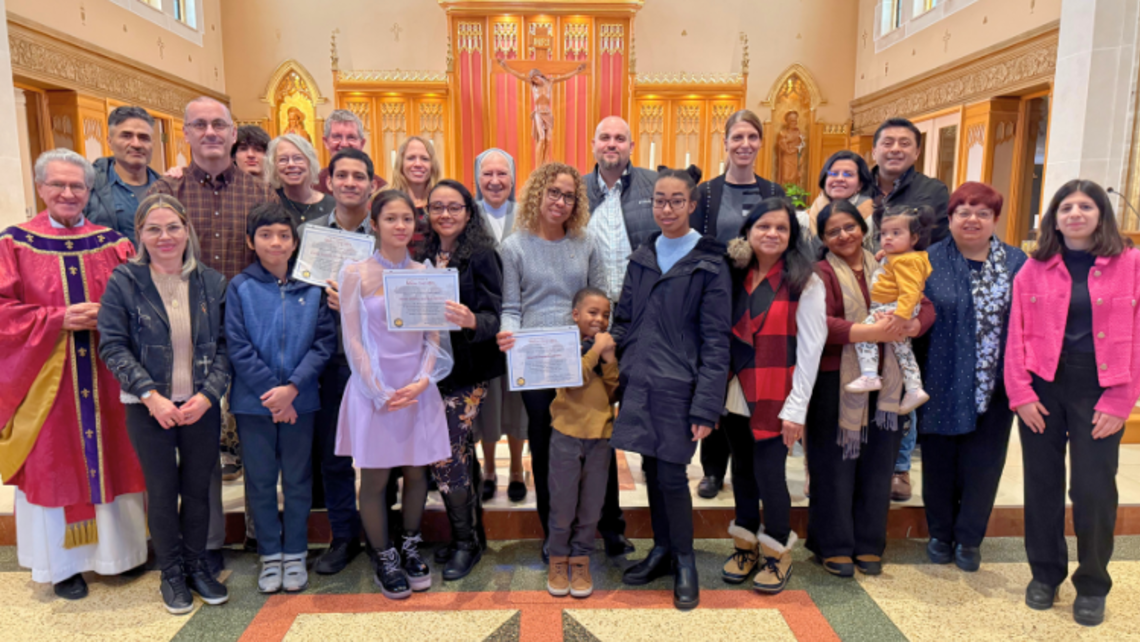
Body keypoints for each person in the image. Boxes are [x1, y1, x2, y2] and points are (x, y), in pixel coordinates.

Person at [1, 149, 147, 601]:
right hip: (47, 384)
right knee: (54, 463)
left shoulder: (113, 244)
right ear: (41, 188)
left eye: (77, 186)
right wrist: (55, 319)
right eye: (58, 185)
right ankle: (62, 566)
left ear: (89, 191)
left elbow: (141, 305)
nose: (68, 194)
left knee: (119, 456)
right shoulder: (14, 245)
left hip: (107, 377)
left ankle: (121, 556)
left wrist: (110, 314)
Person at [150, 96, 277, 574]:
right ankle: (207, 543)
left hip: (248, 327)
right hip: (186, 332)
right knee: (201, 441)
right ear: (185, 132)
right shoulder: (167, 190)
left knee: (255, 433)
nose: (210, 132)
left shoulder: (259, 193)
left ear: (232, 132)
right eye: (199, 124)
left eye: (218, 124)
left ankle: (261, 533)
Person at [1006, 179, 1140, 627]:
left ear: (1102, 214)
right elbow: (1015, 338)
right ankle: (1044, 575)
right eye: (1066, 207)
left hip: (1101, 388)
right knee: (1041, 485)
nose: (1075, 214)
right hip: (1043, 387)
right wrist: (1021, 393)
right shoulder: (1034, 267)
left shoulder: (1131, 264)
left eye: (1086, 206)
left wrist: (1121, 400)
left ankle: (1093, 583)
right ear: (1054, 218)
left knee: (1093, 489)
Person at [98, 193, 229, 613]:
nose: (165, 236)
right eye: (153, 229)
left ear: (187, 229)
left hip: (198, 408)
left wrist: (208, 396)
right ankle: (170, 573)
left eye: (173, 227)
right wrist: (151, 396)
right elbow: (113, 347)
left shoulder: (211, 281)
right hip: (147, 407)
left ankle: (196, 565)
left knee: (197, 491)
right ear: (140, 235)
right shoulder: (125, 281)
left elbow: (227, 347)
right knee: (162, 489)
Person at [612, 167, 731, 611]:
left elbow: (717, 340)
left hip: (680, 385)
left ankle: (684, 559)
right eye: (659, 200)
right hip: (640, 381)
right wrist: (620, 359)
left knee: (672, 475)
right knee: (649, 471)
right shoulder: (642, 255)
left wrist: (707, 404)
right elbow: (624, 318)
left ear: (692, 204)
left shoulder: (709, 261)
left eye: (676, 200)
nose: (666, 208)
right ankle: (661, 550)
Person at [803, 200, 934, 579]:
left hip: (887, 384)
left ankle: (869, 543)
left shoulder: (892, 262)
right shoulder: (820, 273)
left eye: (850, 227)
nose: (844, 235)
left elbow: (924, 306)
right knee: (834, 467)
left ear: (864, 228)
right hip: (836, 381)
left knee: (878, 468)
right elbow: (819, 323)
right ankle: (834, 544)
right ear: (824, 239)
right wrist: (869, 332)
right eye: (833, 231)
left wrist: (914, 325)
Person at [337, 190, 453, 600]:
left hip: (416, 385)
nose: (400, 226)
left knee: (417, 471)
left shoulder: (424, 272)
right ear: (375, 223)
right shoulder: (355, 273)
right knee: (375, 475)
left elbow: (434, 338)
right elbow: (352, 339)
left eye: (407, 219)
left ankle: (408, 544)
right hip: (375, 388)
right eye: (391, 219)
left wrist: (423, 380)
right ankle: (383, 554)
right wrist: (378, 389)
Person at [914, 182, 1026, 574]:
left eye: (982, 212)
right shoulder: (926, 261)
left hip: (996, 384)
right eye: (963, 211)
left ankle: (969, 539)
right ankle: (940, 534)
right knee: (940, 462)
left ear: (996, 219)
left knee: (984, 463)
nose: (972, 219)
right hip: (940, 377)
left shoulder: (1018, 263)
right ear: (950, 219)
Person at [496, 162, 604, 562]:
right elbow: (511, 305)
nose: (560, 201)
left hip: (579, 357)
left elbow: (599, 297)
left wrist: (592, 338)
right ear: (538, 194)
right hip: (535, 359)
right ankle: (551, 532)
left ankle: (587, 529)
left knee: (587, 445)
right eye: (553, 193)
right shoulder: (514, 247)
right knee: (545, 447)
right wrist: (508, 333)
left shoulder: (586, 243)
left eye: (569, 195)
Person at [226, 203, 336, 593]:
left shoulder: (312, 285)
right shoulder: (240, 287)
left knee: (298, 479)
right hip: (253, 404)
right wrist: (272, 395)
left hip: (300, 402)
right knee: (258, 481)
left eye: (284, 235)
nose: (276, 242)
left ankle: (296, 552)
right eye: (266, 235)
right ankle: (269, 555)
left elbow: (323, 343)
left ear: (295, 242)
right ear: (250, 241)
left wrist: (292, 389)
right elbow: (237, 346)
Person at [718, 196, 825, 595]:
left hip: (776, 393)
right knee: (741, 472)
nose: (772, 234)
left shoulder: (805, 281)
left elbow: (811, 349)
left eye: (782, 228)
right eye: (764, 226)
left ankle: (777, 550)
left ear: (792, 235)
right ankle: (745, 544)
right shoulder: (732, 273)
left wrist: (796, 410)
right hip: (733, 390)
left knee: (770, 476)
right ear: (748, 231)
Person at [688, 109, 785, 500]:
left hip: (762, 299)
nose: (744, 145)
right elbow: (697, 245)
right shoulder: (707, 192)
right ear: (725, 143)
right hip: (719, 297)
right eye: (737, 137)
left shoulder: (772, 191)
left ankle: (753, 461)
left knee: (753, 380)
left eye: (752, 137)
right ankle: (713, 468)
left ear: (760, 143)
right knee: (718, 374)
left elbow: (783, 239)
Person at [420, 179, 504, 580]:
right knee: (456, 451)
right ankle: (470, 534)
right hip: (427, 371)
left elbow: (497, 314)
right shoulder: (420, 253)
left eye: (454, 207)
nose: (445, 214)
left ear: (469, 213)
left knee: (448, 450)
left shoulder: (483, 254)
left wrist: (472, 320)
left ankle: (465, 543)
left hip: (468, 371)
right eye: (438, 207)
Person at [299, 148, 374, 575]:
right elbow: (297, 292)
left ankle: (384, 533)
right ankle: (344, 536)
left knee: (384, 453)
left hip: (377, 358)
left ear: (370, 184)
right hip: (330, 358)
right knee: (334, 453)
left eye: (358, 176)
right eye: (341, 175)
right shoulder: (310, 235)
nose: (349, 182)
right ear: (329, 182)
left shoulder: (384, 233)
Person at [583, 115, 656, 554]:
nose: (612, 144)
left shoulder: (652, 187)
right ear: (593, 144)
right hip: (593, 327)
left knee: (643, 420)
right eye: (604, 137)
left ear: (632, 144)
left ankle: (659, 523)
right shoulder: (577, 190)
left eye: (619, 138)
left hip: (642, 324)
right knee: (596, 426)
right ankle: (608, 525)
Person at [869, 117, 950, 502]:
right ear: (875, 149)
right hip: (863, 294)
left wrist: (913, 311)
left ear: (917, 150)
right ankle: (862, 460)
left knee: (902, 384)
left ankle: (900, 468)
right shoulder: (857, 184)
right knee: (862, 381)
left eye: (905, 143)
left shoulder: (932, 191)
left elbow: (930, 243)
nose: (895, 149)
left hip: (907, 296)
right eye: (888, 142)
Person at [546, 287, 620, 599]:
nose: (600, 320)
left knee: (591, 506)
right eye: (592, 313)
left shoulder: (605, 348)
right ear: (575, 315)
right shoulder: (563, 344)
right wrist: (595, 351)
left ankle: (580, 560)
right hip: (565, 434)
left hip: (600, 437)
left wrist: (609, 357)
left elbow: (614, 390)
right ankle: (558, 559)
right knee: (563, 505)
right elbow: (570, 378)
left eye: (605, 315)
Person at [472, 148, 529, 503]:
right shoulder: (467, 215)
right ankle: (490, 468)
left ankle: (518, 470)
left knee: (517, 401)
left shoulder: (527, 216)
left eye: (502, 174)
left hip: (519, 325)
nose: (495, 181)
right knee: (489, 402)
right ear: (477, 179)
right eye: (487, 174)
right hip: (481, 326)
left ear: (512, 179)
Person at [845, 205, 935, 414]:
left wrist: (901, 317)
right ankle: (914, 388)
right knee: (902, 347)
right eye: (884, 233)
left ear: (913, 238)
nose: (888, 238)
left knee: (865, 334)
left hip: (896, 309)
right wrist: (885, 255)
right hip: (896, 308)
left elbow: (911, 291)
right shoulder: (900, 257)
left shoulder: (906, 262)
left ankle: (869, 374)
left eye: (896, 233)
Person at [84, 106, 161, 245]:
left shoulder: (168, 189)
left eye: (144, 138)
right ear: (110, 142)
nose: (136, 144)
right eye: (126, 136)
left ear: (152, 144)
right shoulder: (87, 186)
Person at [802, 150, 876, 246]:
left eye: (848, 174)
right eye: (833, 174)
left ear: (860, 184)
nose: (840, 179)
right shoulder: (805, 219)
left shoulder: (873, 218)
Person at [388, 135, 441, 257]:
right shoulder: (385, 202)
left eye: (424, 159)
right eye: (411, 158)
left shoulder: (441, 203)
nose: (418, 164)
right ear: (401, 163)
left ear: (432, 165)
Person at [316, 109, 387, 196]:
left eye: (351, 137)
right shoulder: (314, 185)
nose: (344, 144)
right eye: (337, 137)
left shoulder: (381, 190)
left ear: (362, 143)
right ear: (326, 142)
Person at [268, 134, 335, 226]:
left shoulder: (333, 206)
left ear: (310, 162)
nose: (291, 164)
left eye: (298, 158)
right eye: (283, 160)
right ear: (274, 166)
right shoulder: (270, 202)